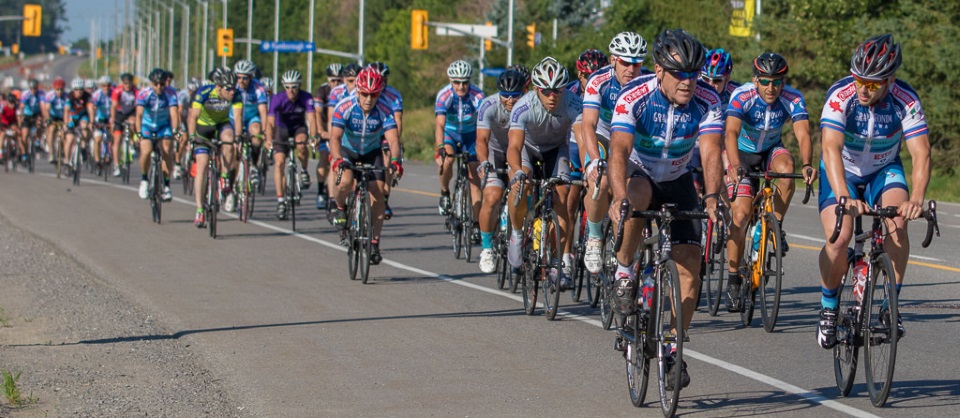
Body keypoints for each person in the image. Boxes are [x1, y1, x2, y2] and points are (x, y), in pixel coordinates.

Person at [608, 29, 725, 391]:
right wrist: (617, 196)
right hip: (639, 172)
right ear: (659, 70)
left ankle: (674, 345)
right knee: (636, 194)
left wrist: (711, 197)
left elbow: (709, 152)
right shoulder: (634, 97)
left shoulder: (708, 101)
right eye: (679, 74)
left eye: (694, 73)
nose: (688, 82)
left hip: (677, 178)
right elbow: (619, 152)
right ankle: (625, 271)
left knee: (690, 263)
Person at [816, 34, 928, 348]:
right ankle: (828, 307)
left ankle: (889, 305)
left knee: (898, 225)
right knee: (839, 238)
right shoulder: (841, 95)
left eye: (873, 83)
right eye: (859, 80)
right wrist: (843, 196)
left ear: (890, 79)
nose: (863, 89)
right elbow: (830, 148)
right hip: (843, 170)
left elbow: (921, 153)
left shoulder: (906, 99)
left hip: (884, 168)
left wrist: (917, 197)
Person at [723, 52, 815, 311]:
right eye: (765, 81)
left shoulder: (792, 98)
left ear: (783, 82)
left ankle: (776, 225)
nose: (771, 87)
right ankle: (732, 279)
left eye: (777, 81)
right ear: (755, 80)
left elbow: (803, 133)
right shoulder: (742, 96)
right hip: (741, 153)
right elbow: (730, 132)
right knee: (739, 217)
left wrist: (808, 164)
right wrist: (734, 165)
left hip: (770, 150)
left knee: (787, 169)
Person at [505, 57, 583, 290]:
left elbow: (582, 139)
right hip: (528, 151)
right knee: (522, 185)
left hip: (556, 150)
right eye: (546, 91)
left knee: (563, 193)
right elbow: (514, 147)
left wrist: (589, 165)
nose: (552, 96)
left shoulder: (574, 103)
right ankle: (517, 234)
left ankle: (557, 260)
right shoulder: (523, 106)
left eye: (558, 90)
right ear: (537, 89)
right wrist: (517, 171)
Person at [582, 32, 650, 275]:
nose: (631, 68)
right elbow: (588, 124)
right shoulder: (598, 81)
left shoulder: (647, 82)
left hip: (631, 141)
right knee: (599, 179)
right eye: (625, 62)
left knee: (633, 188)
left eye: (637, 63)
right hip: (602, 136)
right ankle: (593, 236)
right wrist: (594, 160)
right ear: (613, 60)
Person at [328, 68, 402, 264]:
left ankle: (375, 242)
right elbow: (334, 137)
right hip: (348, 150)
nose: (369, 99)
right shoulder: (344, 106)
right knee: (345, 181)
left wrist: (396, 161)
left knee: (378, 191)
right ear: (358, 91)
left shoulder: (385, 109)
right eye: (365, 94)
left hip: (371, 151)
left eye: (374, 94)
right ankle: (340, 207)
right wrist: (337, 159)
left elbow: (394, 141)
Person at [476, 70, 526, 273]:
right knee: (492, 196)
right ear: (499, 93)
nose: (511, 100)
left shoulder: (528, 105)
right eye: (506, 95)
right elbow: (481, 140)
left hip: (520, 152)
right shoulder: (488, 105)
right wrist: (483, 163)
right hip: (495, 153)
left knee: (525, 192)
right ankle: (487, 248)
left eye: (516, 95)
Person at [188, 67, 243, 227]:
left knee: (229, 138)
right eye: (228, 89)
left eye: (234, 88)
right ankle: (199, 210)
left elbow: (238, 117)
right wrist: (191, 137)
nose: (232, 92)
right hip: (204, 128)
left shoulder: (236, 95)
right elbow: (194, 116)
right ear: (218, 87)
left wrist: (238, 138)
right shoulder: (204, 93)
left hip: (221, 125)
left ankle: (225, 177)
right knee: (202, 166)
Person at [435, 59, 484, 224]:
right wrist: (440, 147)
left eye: (465, 82)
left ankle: (477, 223)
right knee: (447, 160)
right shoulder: (444, 95)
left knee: (474, 177)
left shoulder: (477, 95)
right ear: (450, 81)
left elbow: (484, 122)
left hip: (470, 135)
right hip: (451, 133)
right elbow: (440, 124)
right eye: (456, 82)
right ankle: (444, 193)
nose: (461, 86)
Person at [266, 70, 317, 220]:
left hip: (298, 128)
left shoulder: (306, 97)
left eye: (294, 87)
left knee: (301, 144)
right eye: (287, 87)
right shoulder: (277, 98)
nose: (291, 91)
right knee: (280, 162)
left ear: (300, 86)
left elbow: (312, 119)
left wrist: (313, 137)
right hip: (281, 128)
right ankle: (281, 200)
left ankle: (304, 170)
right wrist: (268, 139)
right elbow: (269, 122)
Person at [135, 69, 180, 202]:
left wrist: (176, 130)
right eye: (156, 84)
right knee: (147, 150)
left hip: (163, 126)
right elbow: (138, 115)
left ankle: (166, 185)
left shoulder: (170, 94)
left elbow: (174, 114)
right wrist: (138, 132)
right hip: (147, 126)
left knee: (167, 149)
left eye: (162, 84)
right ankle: (144, 179)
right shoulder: (144, 94)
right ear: (151, 83)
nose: (159, 87)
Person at [369, 62, 404, 220]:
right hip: (368, 133)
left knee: (388, 157)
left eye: (384, 79)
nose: (381, 82)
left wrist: (395, 141)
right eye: (378, 78)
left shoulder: (393, 95)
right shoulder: (365, 92)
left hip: (386, 132)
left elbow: (398, 120)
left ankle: (384, 197)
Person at [233, 60, 269, 190]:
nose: (241, 80)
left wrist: (265, 132)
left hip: (251, 117)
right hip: (233, 118)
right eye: (238, 77)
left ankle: (253, 164)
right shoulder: (232, 87)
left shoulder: (259, 88)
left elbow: (263, 111)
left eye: (245, 78)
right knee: (232, 149)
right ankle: (230, 185)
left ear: (251, 77)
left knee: (256, 132)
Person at [313, 63, 342, 210]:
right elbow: (317, 113)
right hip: (325, 129)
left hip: (339, 131)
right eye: (333, 81)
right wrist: (320, 131)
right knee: (324, 158)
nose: (336, 84)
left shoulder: (344, 91)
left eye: (339, 80)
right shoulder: (322, 91)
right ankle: (320, 192)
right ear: (328, 80)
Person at [110, 73, 139, 176]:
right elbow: (113, 106)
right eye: (126, 83)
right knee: (117, 140)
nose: (128, 86)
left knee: (133, 123)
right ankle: (116, 165)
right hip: (120, 114)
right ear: (123, 83)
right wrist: (113, 120)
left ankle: (132, 142)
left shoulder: (135, 91)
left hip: (131, 113)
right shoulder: (117, 91)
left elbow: (139, 106)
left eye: (130, 83)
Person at [63, 77, 96, 171]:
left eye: (81, 89)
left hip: (82, 117)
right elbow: (66, 111)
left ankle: (83, 147)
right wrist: (65, 124)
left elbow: (90, 110)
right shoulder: (70, 97)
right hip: (72, 118)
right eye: (77, 90)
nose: (79, 92)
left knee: (85, 127)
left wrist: (92, 122)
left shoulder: (87, 96)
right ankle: (66, 160)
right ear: (73, 90)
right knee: (69, 139)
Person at [41, 77, 69, 163]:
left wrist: (66, 122)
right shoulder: (50, 96)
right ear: (54, 89)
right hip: (52, 116)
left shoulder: (66, 96)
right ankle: (51, 152)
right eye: (57, 90)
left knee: (64, 133)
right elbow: (47, 109)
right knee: (52, 129)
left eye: (61, 90)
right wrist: (47, 119)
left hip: (62, 116)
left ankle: (64, 151)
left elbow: (67, 110)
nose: (59, 92)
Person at [18, 79, 44, 161]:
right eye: (31, 88)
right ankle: (25, 153)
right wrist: (21, 115)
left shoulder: (41, 94)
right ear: (29, 88)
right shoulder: (25, 94)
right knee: (24, 135)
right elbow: (21, 106)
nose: (33, 90)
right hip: (27, 115)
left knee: (39, 123)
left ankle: (37, 141)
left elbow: (43, 105)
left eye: (35, 88)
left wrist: (44, 116)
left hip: (36, 114)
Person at [90, 76, 113, 169]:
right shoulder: (97, 95)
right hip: (99, 119)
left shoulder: (113, 94)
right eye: (104, 86)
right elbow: (92, 108)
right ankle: (97, 160)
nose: (106, 88)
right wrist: (92, 121)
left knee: (113, 139)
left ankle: (110, 155)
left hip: (110, 119)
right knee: (98, 139)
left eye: (108, 86)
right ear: (100, 86)